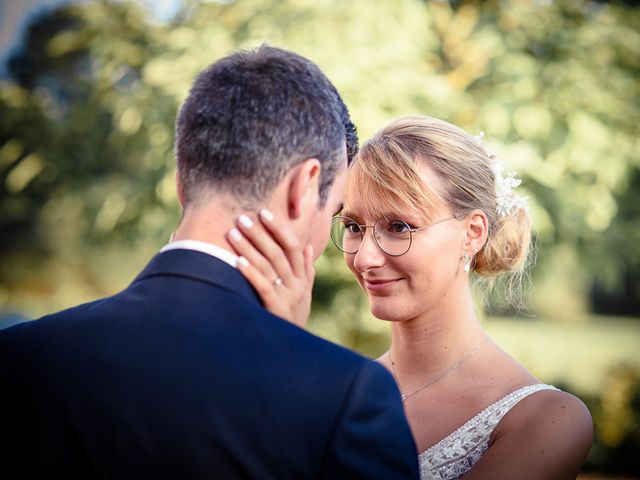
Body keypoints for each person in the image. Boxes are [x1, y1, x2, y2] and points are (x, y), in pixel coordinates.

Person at [0, 46, 420, 479]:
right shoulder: (344, 396)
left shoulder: (20, 356)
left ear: (182, 181)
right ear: (304, 186)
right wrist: (289, 359)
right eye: (333, 211)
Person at [229, 115, 594, 479]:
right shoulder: (331, 390)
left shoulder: (547, 419)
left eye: (399, 226)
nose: (365, 258)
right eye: (354, 227)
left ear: (472, 233)